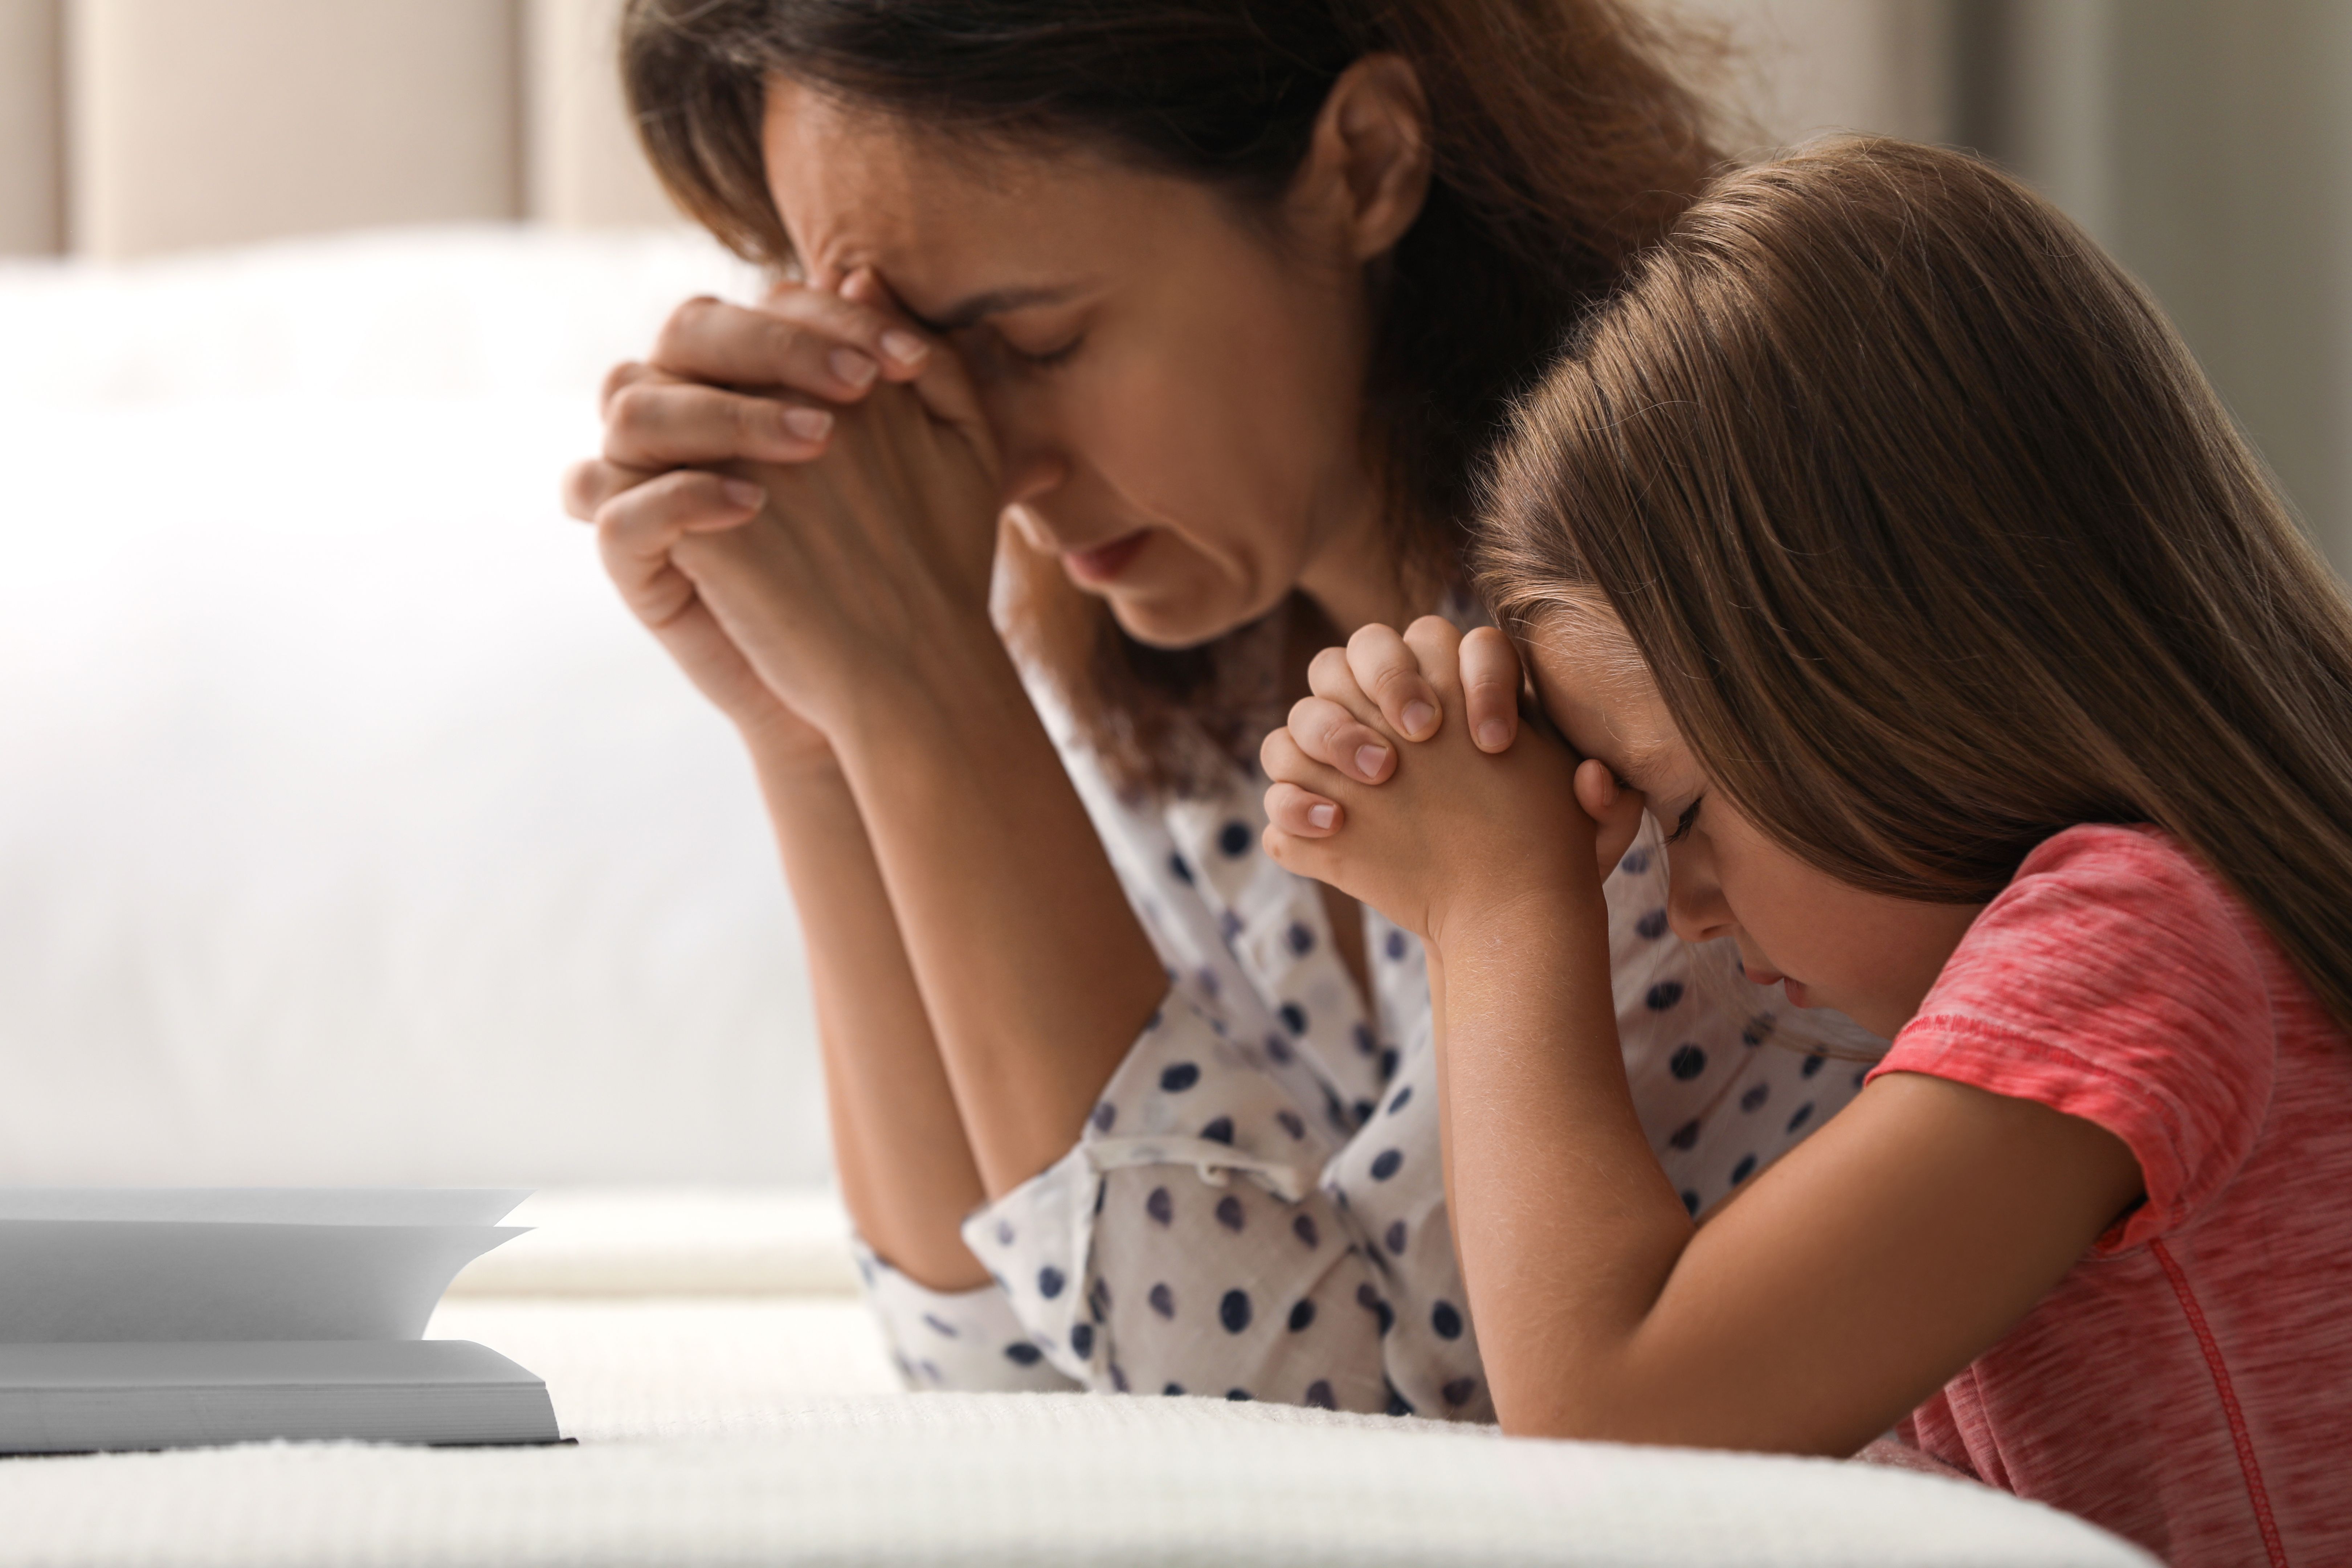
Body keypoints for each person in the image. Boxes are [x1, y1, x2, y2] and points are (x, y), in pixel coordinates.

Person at [562, 0, 1870, 1416]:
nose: (988, 468)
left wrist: (926, 699)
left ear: (1366, 165)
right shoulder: (1223, 670)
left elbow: (1325, 1440)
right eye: (912, 367)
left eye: (1039, 342)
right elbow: (1003, 1363)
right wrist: (814, 737)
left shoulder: (1659, 680)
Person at [1259, 137, 2352, 1565]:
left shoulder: (2137, 938)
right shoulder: (2179, 942)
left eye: (1687, 816)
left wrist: (1498, 906)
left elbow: (1614, 1431)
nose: (1689, 910)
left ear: (1898, 675)